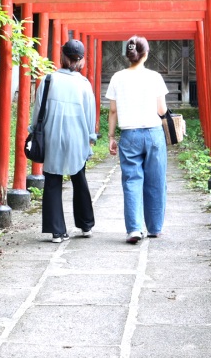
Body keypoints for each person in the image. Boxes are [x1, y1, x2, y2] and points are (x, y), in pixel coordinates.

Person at [29, 38, 98, 242]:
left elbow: (38, 112)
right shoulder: (84, 84)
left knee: (52, 180)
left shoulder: (48, 80)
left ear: (62, 56)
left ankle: (57, 231)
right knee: (79, 178)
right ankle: (86, 225)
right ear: (81, 60)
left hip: (53, 135)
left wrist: (33, 130)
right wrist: (90, 138)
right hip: (77, 137)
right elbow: (90, 115)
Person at [106, 35, 169, 244]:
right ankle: (155, 228)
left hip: (129, 135)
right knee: (156, 180)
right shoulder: (155, 77)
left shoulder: (117, 77)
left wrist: (111, 137)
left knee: (131, 181)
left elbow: (113, 111)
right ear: (146, 54)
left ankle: (134, 229)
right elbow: (162, 110)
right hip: (153, 134)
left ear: (128, 54)